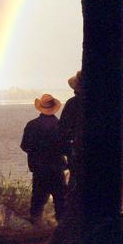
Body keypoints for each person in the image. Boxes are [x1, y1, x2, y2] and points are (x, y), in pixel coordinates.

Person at [20, 94, 68, 224]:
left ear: (41, 107)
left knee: (37, 199)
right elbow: (65, 148)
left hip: (39, 168)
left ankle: (35, 226)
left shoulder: (31, 125)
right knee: (60, 200)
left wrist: (37, 153)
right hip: (57, 168)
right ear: (54, 108)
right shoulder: (60, 125)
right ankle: (61, 227)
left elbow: (25, 146)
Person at [59, 71, 83, 173]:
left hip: (76, 150)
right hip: (96, 150)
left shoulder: (71, 103)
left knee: (75, 179)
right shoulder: (98, 104)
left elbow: (62, 129)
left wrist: (66, 150)